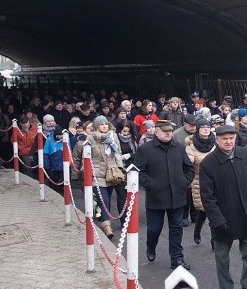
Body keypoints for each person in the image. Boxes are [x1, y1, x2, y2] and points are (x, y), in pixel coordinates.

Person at [199, 124, 247, 289]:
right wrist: (217, 220)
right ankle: (226, 288)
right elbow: (207, 197)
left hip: (246, 214)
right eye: (224, 139)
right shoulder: (208, 163)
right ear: (217, 140)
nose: (228, 142)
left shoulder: (245, 155)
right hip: (223, 218)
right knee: (222, 256)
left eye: (231, 138)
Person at [135, 119, 194, 270]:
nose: (168, 133)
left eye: (170, 131)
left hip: (177, 196)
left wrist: (184, 181)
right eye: (165, 131)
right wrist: (150, 185)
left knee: (176, 228)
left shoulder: (179, 148)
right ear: (156, 131)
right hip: (156, 197)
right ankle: (151, 246)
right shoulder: (145, 149)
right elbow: (139, 171)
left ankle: (176, 257)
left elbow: (189, 168)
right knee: (154, 228)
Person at [87, 115, 125, 241]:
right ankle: (107, 227)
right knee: (104, 201)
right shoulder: (91, 138)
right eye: (101, 124)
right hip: (98, 174)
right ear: (96, 126)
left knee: (117, 197)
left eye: (105, 124)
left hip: (113, 172)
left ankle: (109, 221)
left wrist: (120, 169)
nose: (104, 126)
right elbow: (87, 157)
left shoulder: (113, 136)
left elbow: (117, 152)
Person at [186, 117, 216, 249]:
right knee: (202, 211)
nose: (206, 130)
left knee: (216, 211)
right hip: (199, 181)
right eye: (203, 128)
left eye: (208, 128)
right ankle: (197, 231)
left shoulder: (214, 144)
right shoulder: (191, 146)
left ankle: (215, 239)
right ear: (197, 130)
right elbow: (188, 163)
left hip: (216, 181)